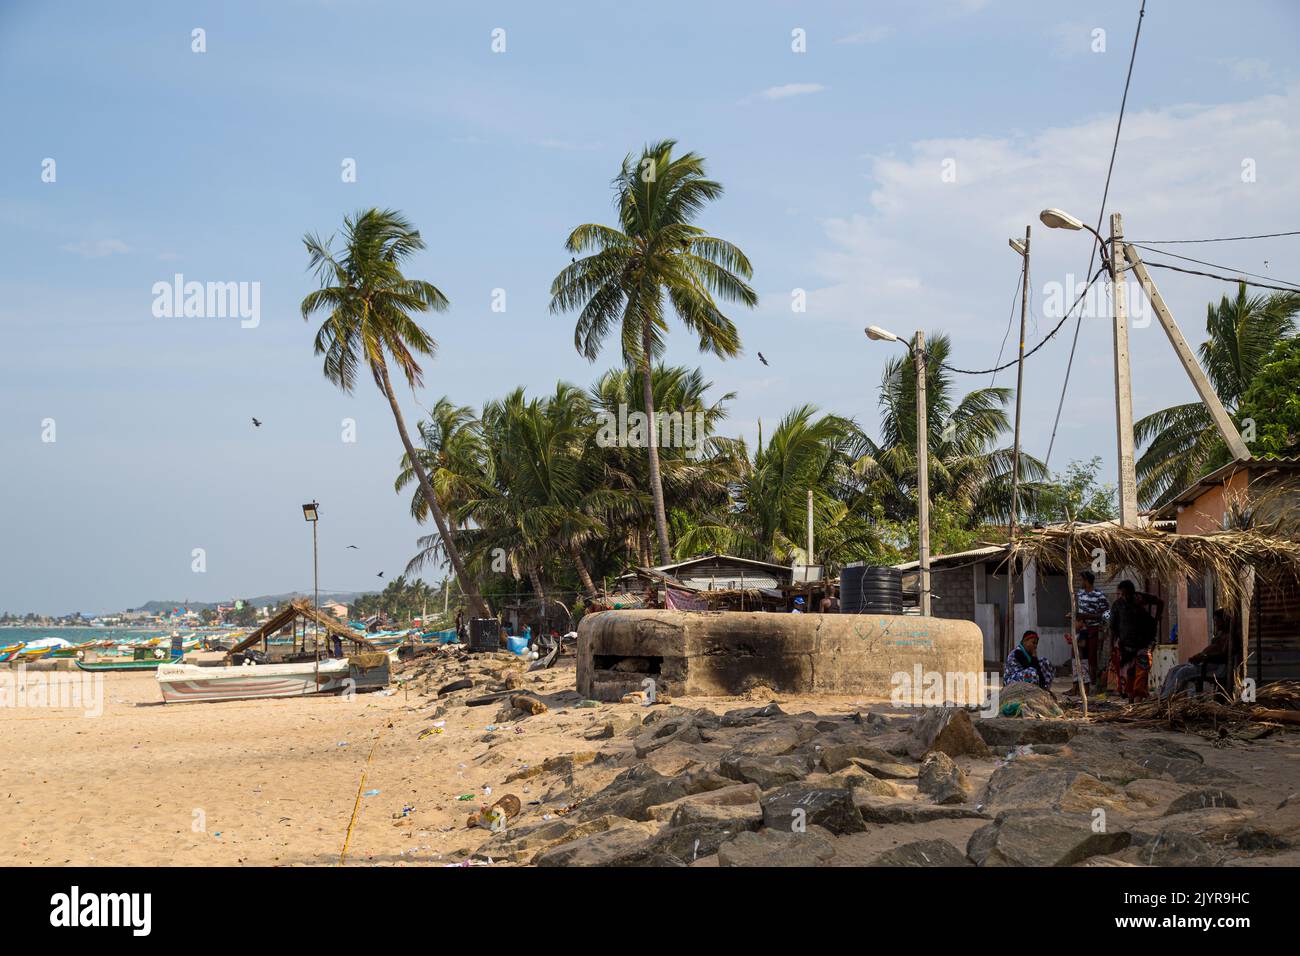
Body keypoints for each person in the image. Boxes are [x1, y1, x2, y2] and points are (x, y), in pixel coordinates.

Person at [1160, 609, 1234, 699]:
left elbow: (1223, 656)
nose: (1215, 623)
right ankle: (1162, 695)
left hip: (1214, 668)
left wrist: (1205, 657)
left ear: (1223, 621)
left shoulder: (1228, 637)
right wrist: (1199, 656)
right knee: (1174, 670)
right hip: (1206, 664)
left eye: (1217, 621)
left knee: (1182, 672)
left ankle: (1165, 697)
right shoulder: (1220, 635)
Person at [1109, 580, 1164, 702]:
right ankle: (1131, 700)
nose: (1124, 597)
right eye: (1121, 594)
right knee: (1129, 674)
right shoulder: (1117, 605)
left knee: (1142, 672)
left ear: (1132, 592)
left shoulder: (1142, 599)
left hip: (1144, 643)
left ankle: (1139, 698)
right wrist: (1112, 646)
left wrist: (1156, 620)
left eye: (1126, 594)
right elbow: (1112, 628)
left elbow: (1160, 602)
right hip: (1126, 646)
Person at [1065, 570, 1109, 692]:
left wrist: (1087, 616)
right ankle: (1076, 686)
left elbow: (1106, 614)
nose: (1080, 582)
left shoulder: (1099, 595)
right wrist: (1076, 616)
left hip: (1093, 629)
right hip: (1081, 628)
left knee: (1091, 657)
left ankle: (1091, 685)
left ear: (1087, 581)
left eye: (1082, 580)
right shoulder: (1080, 594)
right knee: (1076, 656)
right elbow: (1079, 611)